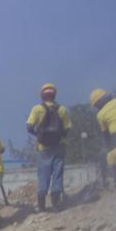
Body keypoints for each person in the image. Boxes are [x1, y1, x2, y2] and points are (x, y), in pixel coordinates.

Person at [27, 83, 72, 211]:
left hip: (43, 148)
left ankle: (42, 206)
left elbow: (29, 127)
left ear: (42, 95)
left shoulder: (37, 109)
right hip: (59, 146)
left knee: (43, 175)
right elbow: (68, 128)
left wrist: (39, 136)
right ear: (54, 95)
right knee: (57, 174)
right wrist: (60, 137)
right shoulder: (62, 109)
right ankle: (56, 204)